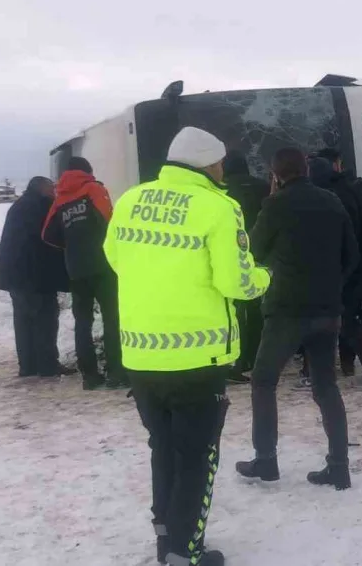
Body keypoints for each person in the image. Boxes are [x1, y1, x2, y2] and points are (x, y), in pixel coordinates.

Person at [104, 126, 271, 566]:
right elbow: (235, 282)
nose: (222, 170)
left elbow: (115, 259)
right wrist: (265, 277)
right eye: (218, 163)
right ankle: (185, 551)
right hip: (199, 358)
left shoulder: (129, 200)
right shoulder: (219, 207)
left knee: (162, 447)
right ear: (208, 164)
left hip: (140, 354)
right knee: (197, 458)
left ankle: (165, 535)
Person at [236, 147, 359, 491]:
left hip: (286, 310)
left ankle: (266, 459)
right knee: (326, 385)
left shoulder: (275, 205)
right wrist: (332, 285)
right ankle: (339, 466)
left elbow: (254, 252)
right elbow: (353, 255)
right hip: (327, 309)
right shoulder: (332, 201)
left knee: (263, 380)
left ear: (275, 174)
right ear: (305, 168)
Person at [42, 157, 125, 390]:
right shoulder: (94, 189)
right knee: (112, 318)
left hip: (76, 269)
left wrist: (72, 246)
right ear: (87, 170)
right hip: (103, 265)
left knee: (83, 323)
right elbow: (112, 221)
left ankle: (89, 376)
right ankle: (116, 372)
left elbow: (47, 234)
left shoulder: (60, 200)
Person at [307, 155, 362, 385]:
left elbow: (340, 238)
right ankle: (359, 366)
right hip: (349, 268)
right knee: (342, 319)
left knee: (339, 320)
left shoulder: (329, 199)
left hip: (337, 270)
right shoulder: (347, 192)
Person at [0, 176, 72, 378]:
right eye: (51, 188)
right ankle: (48, 366)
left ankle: (27, 366)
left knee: (23, 322)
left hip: (15, 277)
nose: (54, 191)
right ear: (42, 189)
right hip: (36, 276)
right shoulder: (42, 206)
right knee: (45, 320)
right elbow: (52, 239)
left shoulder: (19, 206)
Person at [222, 152, 271, 384]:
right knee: (257, 306)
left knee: (233, 310)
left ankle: (237, 359)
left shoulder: (220, 191)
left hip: (230, 255)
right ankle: (256, 354)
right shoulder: (262, 187)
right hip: (259, 253)